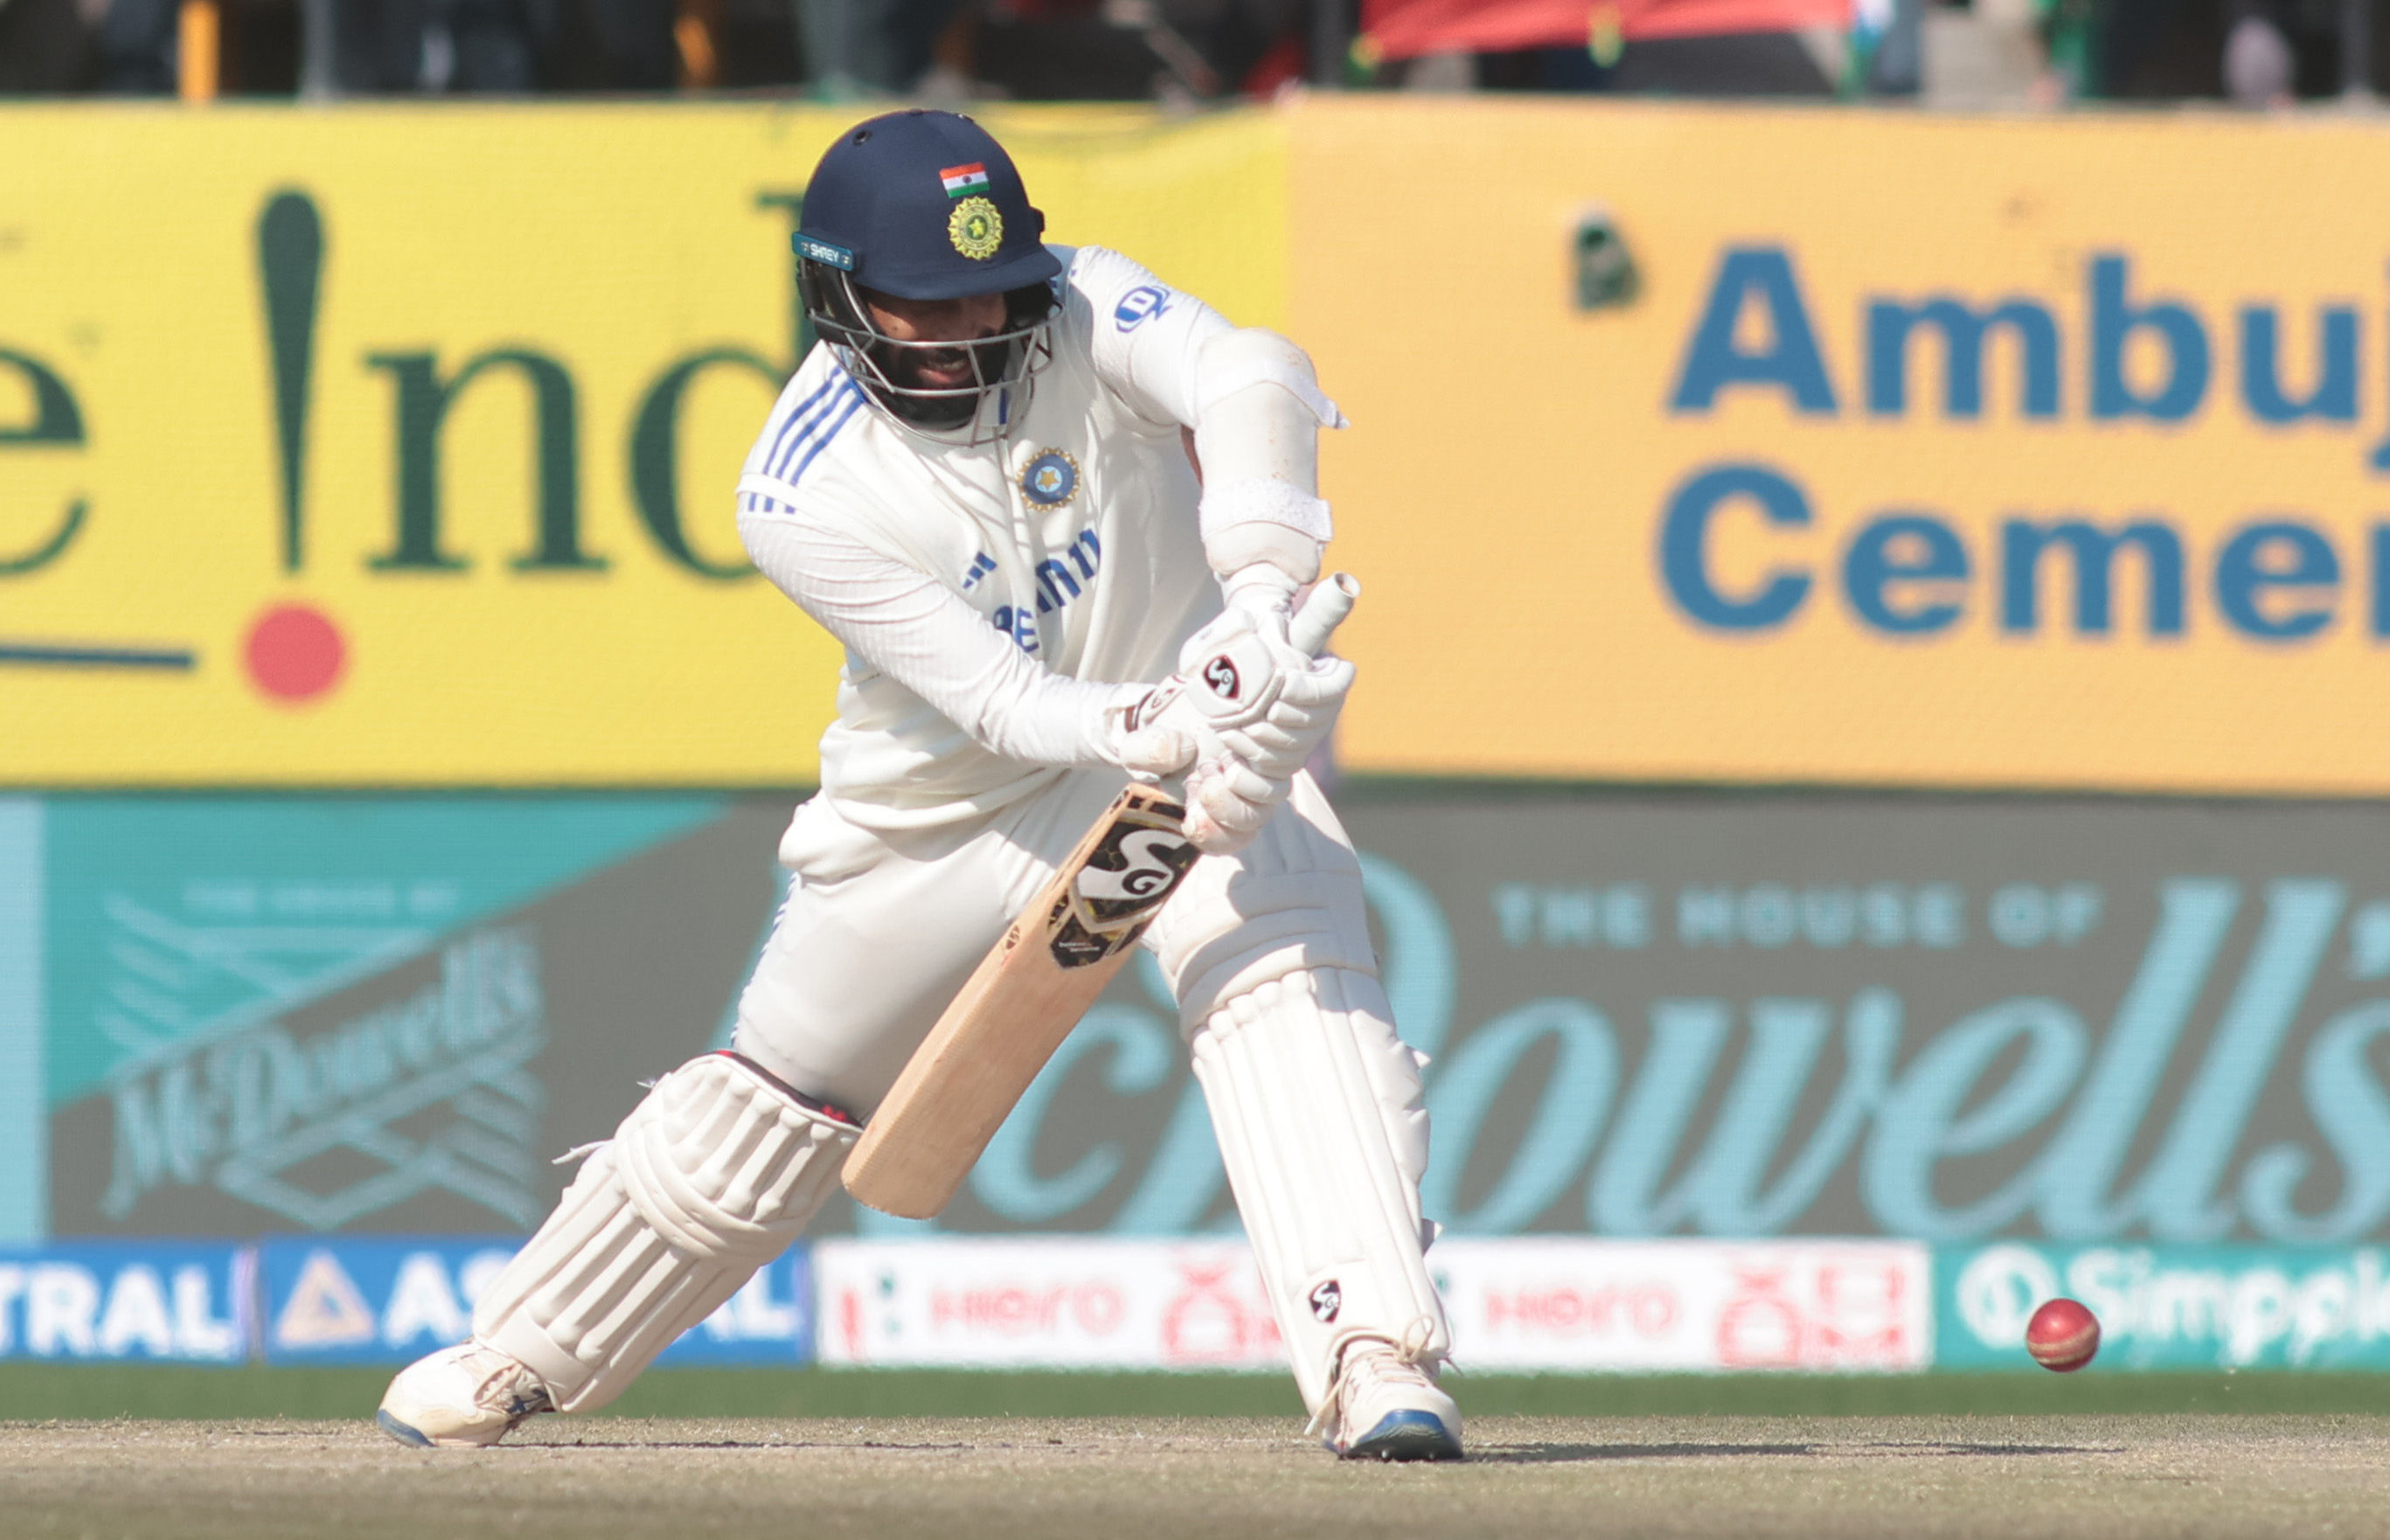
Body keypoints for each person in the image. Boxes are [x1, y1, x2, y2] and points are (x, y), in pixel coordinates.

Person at [373, 108, 1461, 1462]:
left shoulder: (1085, 304)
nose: (973, 330)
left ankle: (1374, 1354)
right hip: (946, 813)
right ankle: (521, 1349)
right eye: (927, 304)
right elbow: (1003, 704)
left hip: (1204, 734)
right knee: (776, 1097)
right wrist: (1165, 714)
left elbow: (1254, 371)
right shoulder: (800, 491)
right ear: (838, 297)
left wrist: (1250, 611)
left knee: (1283, 970)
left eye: (990, 293)